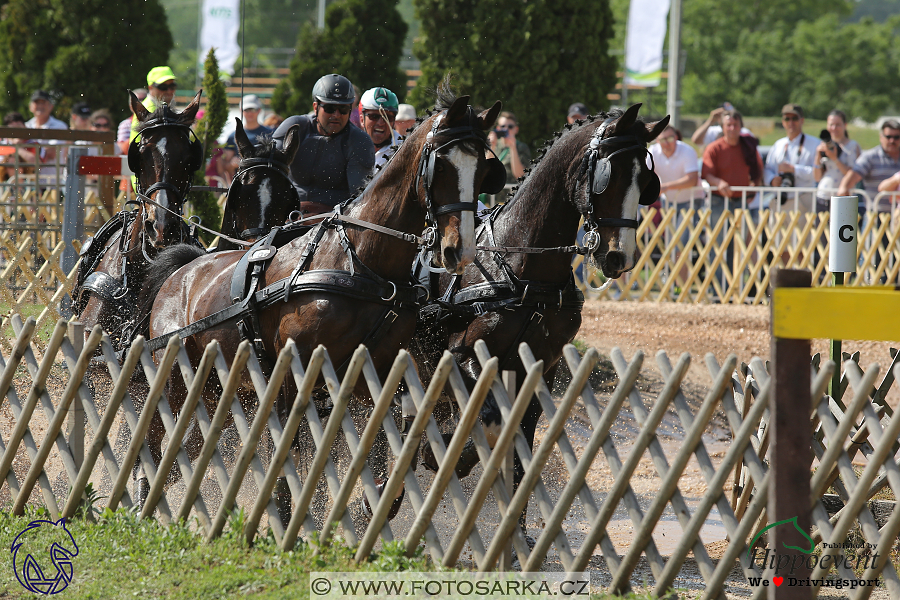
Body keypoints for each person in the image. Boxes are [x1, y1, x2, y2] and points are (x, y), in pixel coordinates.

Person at [272, 73, 375, 214]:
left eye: (343, 109)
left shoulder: (359, 141)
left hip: (333, 223)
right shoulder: (294, 126)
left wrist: (321, 216)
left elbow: (359, 201)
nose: (336, 114)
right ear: (316, 107)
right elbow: (268, 171)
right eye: (330, 108)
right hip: (287, 214)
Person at [764, 104, 819, 213]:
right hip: (780, 200)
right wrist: (772, 180)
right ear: (783, 121)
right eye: (787, 119)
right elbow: (767, 168)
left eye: (794, 118)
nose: (791, 122)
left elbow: (817, 174)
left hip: (803, 199)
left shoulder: (814, 144)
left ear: (802, 120)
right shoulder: (778, 145)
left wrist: (794, 169)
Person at [838, 120, 900, 212]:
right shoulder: (871, 156)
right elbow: (855, 174)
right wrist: (844, 188)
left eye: (896, 137)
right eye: (888, 137)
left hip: (897, 215)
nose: (892, 140)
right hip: (875, 215)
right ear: (881, 137)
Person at [813, 110, 861, 212]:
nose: (834, 128)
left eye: (838, 125)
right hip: (823, 195)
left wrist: (835, 158)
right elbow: (817, 177)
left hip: (844, 197)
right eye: (831, 125)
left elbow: (854, 174)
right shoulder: (823, 145)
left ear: (845, 125)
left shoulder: (852, 146)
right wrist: (818, 156)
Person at [221, 94, 273, 183]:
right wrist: (232, 164)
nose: (250, 113)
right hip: (242, 184)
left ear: (259, 110)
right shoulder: (232, 136)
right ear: (241, 111)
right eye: (246, 110)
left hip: (265, 182)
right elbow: (224, 166)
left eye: (253, 109)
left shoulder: (271, 134)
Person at [488, 111, 530, 203]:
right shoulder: (494, 146)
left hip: (513, 199)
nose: (506, 129)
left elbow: (520, 175)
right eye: (503, 127)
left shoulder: (522, 147)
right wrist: (491, 146)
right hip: (493, 199)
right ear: (498, 129)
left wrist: (513, 148)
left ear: (516, 129)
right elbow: (486, 170)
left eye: (510, 127)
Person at [130, 66, 178, 142]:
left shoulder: (162, 107)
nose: (169, 91)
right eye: (163, 87)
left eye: (172, 86)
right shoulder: (147, 110)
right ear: (150, 87)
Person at [359, 87, 402, 168]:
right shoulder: (348, 146)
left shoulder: (404, 149)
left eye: (388, 117)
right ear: (362, 120)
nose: (381, 123)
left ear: (394, 121)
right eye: (374, 116)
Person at [117, 88, 147, 155]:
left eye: (144, 99)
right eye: (137, 100)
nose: (141, 103)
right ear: (131, 105)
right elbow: (122, 149)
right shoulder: (125, 125)